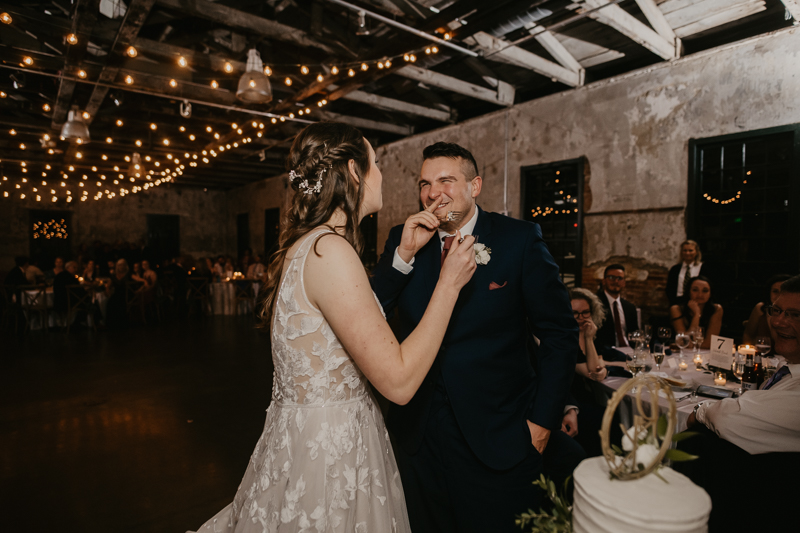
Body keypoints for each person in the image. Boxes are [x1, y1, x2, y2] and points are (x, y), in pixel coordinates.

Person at [191, 122, 476, 533]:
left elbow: (351, 328)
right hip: (331, 459)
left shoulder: (308, 245)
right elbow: (398, 381)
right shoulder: (331, 251)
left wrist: (405, 254)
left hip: (307, 441)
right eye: (375, 163)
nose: (382, 173)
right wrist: (448, 286)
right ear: (354, 172)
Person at [371, 141, 579, 533]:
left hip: (498, 435)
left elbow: (560, 334)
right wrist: (402, 256)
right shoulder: (405, 236)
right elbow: (371, 311)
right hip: (418, 435)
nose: (433, 193)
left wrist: (542, 422)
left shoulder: (519, 240)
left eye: (446, 180)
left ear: (475, 185)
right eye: (425, 183)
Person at [669, 276, 722, 349]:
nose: (700, 295)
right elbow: (684, 342)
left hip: (707, 354)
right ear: (688, 292)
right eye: (695, 290)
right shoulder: (676, 309)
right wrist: (696, 315)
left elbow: (709, 344)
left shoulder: (716, 309)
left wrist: (691, 345)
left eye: (705, 291)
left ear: (710, 294)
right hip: (681, 354)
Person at [595, 264, 639, 349]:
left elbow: (635, 335)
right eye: (611, 277)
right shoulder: (595, 303)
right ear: (604, 281)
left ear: (624, 283)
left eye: (619, 278)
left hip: (629, 351)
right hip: (606, 353)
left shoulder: (630, 307)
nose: (616, 281)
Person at [743, 274, 792, 345]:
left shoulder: (795, 311)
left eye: (783, 291)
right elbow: (748, 335)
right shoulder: (760, 308)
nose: (779, 295)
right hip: (763, 354)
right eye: (775, 291)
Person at [665, 240, 706, 306]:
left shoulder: (703, 268)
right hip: (678, 302)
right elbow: (669, 288)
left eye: (690, 250)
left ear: (696, 252)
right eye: (685, 250)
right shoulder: (675, 269)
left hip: (697, 302)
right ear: (681, 252)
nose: (687, 253)